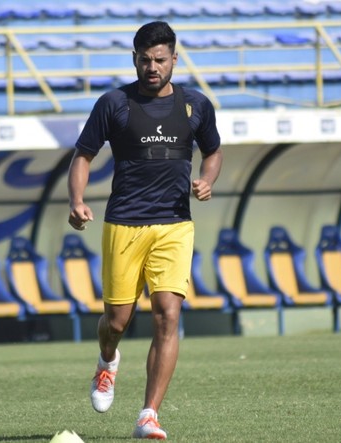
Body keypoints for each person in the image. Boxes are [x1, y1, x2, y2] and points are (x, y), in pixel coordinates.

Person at [67, 21, 223, 440]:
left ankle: (148, 414)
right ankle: (107, 362)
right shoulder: (114, 103)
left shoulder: (196, 105)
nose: (152, 67)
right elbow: (82, 156)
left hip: (175, 225)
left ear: (174, 58)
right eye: (144, 60)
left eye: (160, 59)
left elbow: (213, 151)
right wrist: (76, 200)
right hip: (124, 224)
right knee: (116, 321)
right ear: (134, 59)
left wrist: (209, 179)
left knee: (167, 315)